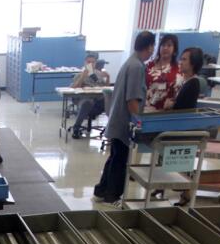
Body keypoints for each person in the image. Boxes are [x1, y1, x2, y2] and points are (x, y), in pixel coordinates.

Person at [93, 31, 156, 205]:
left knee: (115, 156)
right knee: (120, 160)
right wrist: (139, 124)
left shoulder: (130, 62)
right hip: (125, 121)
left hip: (118, 118)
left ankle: (102, 190)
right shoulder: (137, 66)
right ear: (150, 46)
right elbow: (132, 100)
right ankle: (111, 195)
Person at [70, 54, 110, 139]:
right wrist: (82, 77)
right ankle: (76, 127)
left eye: (93, 62)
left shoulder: (99, 74)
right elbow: (73, 88)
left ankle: (112, 129)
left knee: (112, 101)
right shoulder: (79, 74)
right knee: (87, 103)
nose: (91, 64)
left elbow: (106, 88)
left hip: (98, 100)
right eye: (89, 62)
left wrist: (108, 77)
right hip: (84, 99)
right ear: (85, 63)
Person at [146, 33, 179, 111]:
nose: (165, 48)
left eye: (169, 45)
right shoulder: (149, 65)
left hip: (165, 111)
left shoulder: (178, 69)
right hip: (146, 108)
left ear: (175, 49)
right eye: (163, 45)